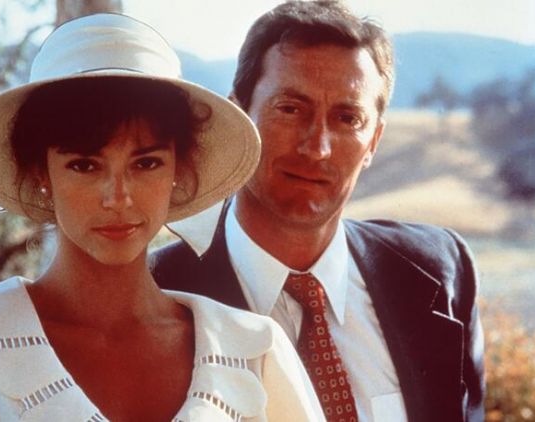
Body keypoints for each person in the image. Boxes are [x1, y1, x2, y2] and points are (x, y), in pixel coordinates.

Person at [0, 13, 326, 422]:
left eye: (146, 164)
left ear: (178, 170)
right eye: (85, 165)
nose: (118, 197)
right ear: (41, 173)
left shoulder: (254, 351)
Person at [150, 2, 485, 422]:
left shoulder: (440, 268)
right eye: (290, 109)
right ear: (239, 118)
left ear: (374, 141)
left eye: (348, 118)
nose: (317, 148)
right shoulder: (152, 294)